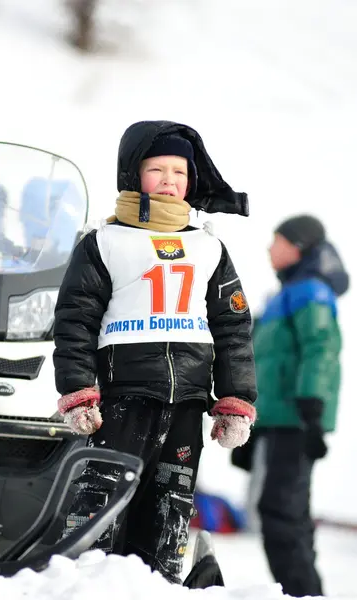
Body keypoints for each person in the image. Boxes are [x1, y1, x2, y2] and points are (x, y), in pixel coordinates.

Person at [53, 120, 257, 584]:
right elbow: (74, 323)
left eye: (179, 172)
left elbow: (232, 327)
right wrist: (79, 390)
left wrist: (235, 399)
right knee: (100, 508)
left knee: (171, 509)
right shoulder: (104, 242)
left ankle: (159, 587)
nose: (169, 180)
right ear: (132, 175)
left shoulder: (208, 247)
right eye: (157, 169)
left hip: (185, 401)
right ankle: (85, 586)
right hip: (118, 401)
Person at [232, 215, 349, 597]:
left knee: (282, 514)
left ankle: (303, 594)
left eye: (277, 240)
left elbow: (320, 351)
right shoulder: (288, 293)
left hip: (297, 420)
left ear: (298, 247)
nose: (269, 248)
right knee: (284, 513)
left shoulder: (309, 292)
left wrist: (312, 410)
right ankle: (302, 593)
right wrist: (254, 429)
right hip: (280, 420)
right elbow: (267, 367)